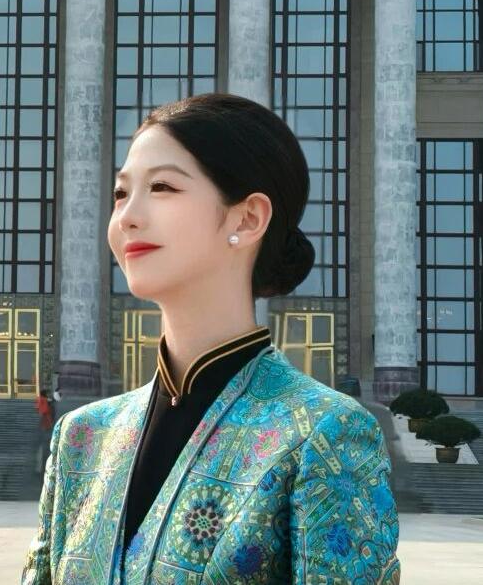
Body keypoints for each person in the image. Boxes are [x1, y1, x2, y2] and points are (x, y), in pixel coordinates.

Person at [22, 93, 401, 583]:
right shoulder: (82, 437)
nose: (127, 217)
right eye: (120, 193)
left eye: (161, 187)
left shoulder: (323, 433)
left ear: (247, 219)